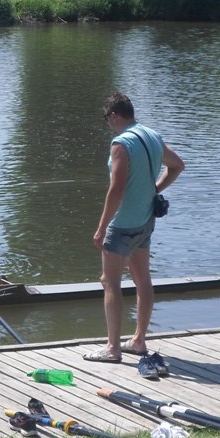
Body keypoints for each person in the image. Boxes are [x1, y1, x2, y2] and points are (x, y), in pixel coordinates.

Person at [86, 92, 185, 376]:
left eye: (107, 119)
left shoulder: (121, 143)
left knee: (110, 283)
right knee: (143, 279)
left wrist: (101, 227)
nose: (108, 124)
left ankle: (112, 348)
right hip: (145, 220)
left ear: (114, 116)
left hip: (122, 224)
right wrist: (155, 189)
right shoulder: (151, 135)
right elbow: (177, 165)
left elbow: (116, 189)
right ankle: (139, 340)